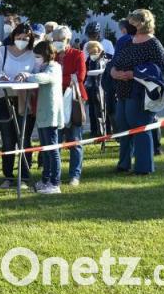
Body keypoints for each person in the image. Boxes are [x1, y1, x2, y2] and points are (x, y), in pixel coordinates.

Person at [109, 9, 164, 175]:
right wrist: (113, 71)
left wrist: (134, 74)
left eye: (133, 21)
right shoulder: (129, 41)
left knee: (140, 127)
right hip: (122, 90)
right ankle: (124, 164)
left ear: (142, 23)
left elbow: (163, 67)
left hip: (140, 93)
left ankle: (144, 167)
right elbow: (116, 61)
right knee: (123, 125)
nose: (130, 24)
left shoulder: (153, 43)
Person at [16, 41, 64, 194]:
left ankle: (55, 183)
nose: (36, 59)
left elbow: (44, 78)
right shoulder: (42, 67)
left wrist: (27, 76)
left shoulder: (54, 67)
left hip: (50, 115)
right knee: (45, 149)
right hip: (43, 114)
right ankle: (45, 180)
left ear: (45, 55)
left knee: (52, 149)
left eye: (37, 56)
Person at [0, 22, 37, 189]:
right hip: (4, 97)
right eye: (19, 37)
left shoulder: (33, 54)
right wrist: (2, 77)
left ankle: (25, 176)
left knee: (24, 138)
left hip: (25, 99)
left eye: (26, 38)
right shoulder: (2, 51)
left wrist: (26, 74)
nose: (22, 40)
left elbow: (38, 72)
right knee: (7, 138)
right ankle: (8, 177)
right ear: (13, 36)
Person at [52, 26, 87, 186]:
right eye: (56, 40)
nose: (59, 43)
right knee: (56, 139)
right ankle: (55, 175)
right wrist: (65, 77)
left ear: (68, 40)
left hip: (74, 98)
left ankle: (75, 175)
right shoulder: (51, 56)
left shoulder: (78, 54)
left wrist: (58, 78)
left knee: (74, 138)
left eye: (62, 40)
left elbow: (79, 77)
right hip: (55, 98)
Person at [84, 40, 110, 139]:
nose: (90, 54)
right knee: (94, 111)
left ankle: (102, 131)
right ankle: (96, 131)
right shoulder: (91, 60)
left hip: (100, 89)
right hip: (93, 89)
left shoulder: (102, 59)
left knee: (100, 111)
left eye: (91, 51)